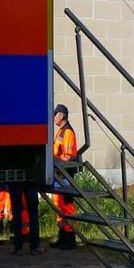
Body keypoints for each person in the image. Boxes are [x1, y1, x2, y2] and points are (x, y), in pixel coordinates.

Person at [52, 104, 80, 249]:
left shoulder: (67, 132)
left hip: (66, 176)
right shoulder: (60, 132)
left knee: (67, 206)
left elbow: (68, 157)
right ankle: (62, 235)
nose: (53, 117)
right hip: (60, 175)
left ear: (61, 116)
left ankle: (70, 238)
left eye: (55, 114)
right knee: (59, 206)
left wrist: (59, 168)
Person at [10, 184, 40, 255]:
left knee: (17, 213)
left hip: (15, 180)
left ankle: (18, 247)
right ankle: (35, 247)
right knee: (33, 214)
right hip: (31, 179)